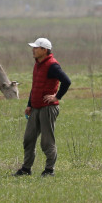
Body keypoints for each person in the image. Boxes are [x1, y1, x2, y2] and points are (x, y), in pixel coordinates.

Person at [14, 37, 71, 177]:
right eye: (33, 48)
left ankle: (49, 170)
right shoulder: (38, 64)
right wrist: (29, 105)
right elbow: (36, 87)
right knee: (28, 139)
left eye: (36, 48)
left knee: (46, 142)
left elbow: (67, 81)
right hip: (36, 107)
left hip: (48, 108)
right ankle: (26, 169)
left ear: (44, 50)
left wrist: (57, 97)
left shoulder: (53, 65)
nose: (33, 50)